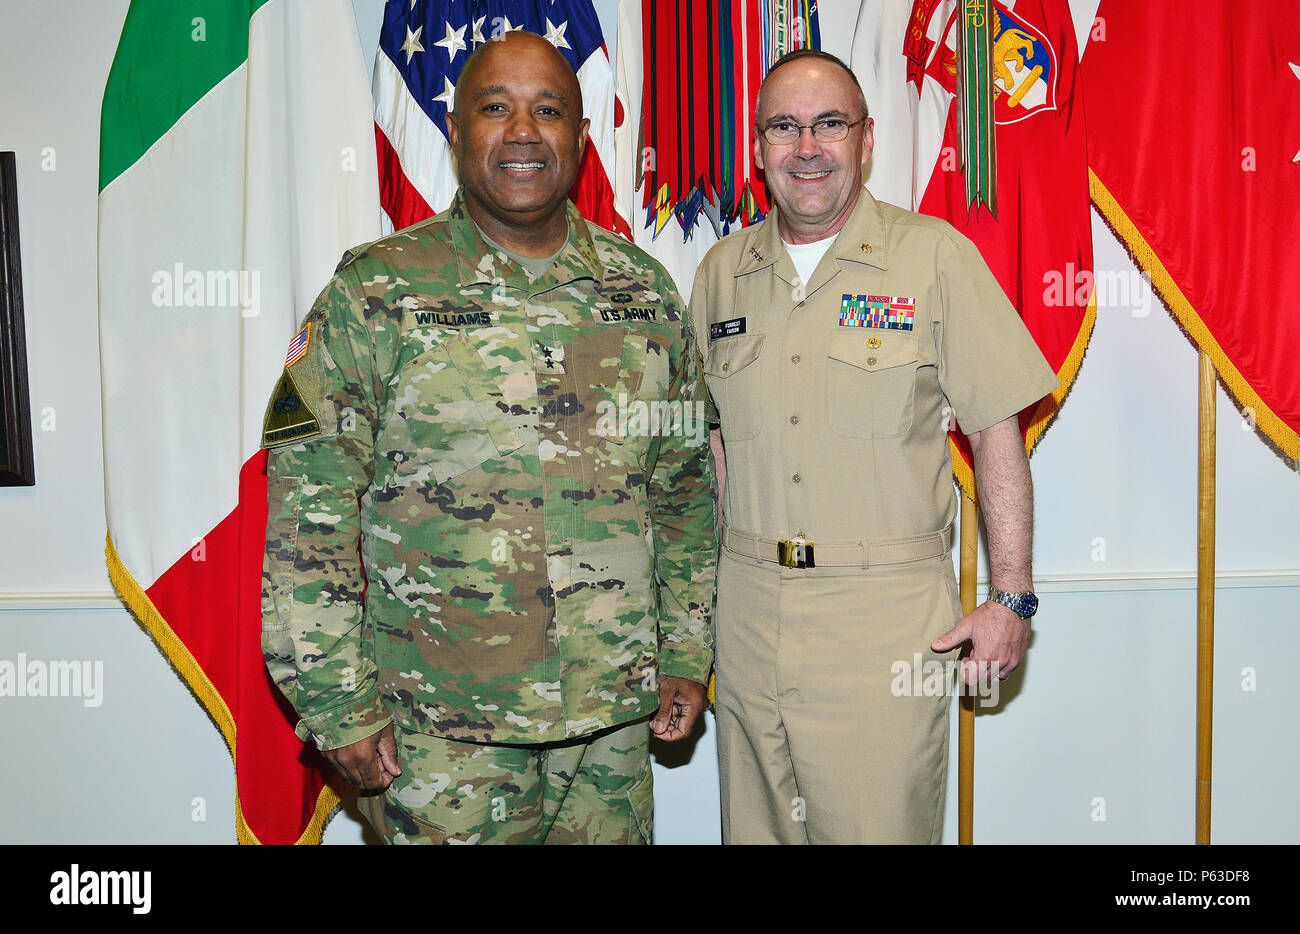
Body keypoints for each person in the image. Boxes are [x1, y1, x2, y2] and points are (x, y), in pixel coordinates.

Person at [260, 31, 716, 845]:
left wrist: (686, 652)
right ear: (456, 129)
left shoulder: (642, 291)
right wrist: (336, 706)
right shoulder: (375, 293)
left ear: (581, 137)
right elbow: (309, 520)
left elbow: (681, 494)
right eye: (495, 108)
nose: (522, 132)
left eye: (548, 111)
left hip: (608, 727)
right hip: (441, 737)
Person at [688, 49, 1058, 844]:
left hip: (884, 623)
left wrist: (1012, 594)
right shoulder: (720, 274)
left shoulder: (934, 257)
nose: (808, 146)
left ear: (866, 139)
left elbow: (997, 428)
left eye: (830, 124)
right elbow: (715, 452)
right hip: (746, 615)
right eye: (784, 126)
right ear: (758, 147)